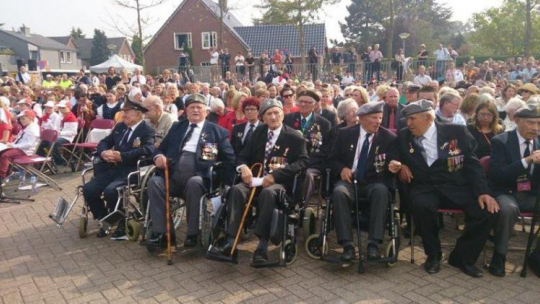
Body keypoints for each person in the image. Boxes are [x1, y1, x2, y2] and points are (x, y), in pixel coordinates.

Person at [392, 99, 499, 277]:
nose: (408, 124)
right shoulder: (404, 136)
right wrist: (401, 165)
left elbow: (472, 164)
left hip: (455, 186)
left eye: (412, 119)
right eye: (407, 120)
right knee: (420, 206)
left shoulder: (456, 132)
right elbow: (393, 155)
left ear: (427, 117)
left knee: (488, 210)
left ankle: (462, 257)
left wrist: (483, 192)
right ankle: (433, 254)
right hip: (424, 187)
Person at [207, 99, 309, 265]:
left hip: (278, 183)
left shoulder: (294, 136)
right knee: (236, 190)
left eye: (277, 113)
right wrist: (243, 167)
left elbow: (303, 162)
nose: (274, 117)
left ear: (283, 114)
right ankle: (230, 241)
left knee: (268, 194)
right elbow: (242, 155)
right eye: (269, 114)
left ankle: (262, 246)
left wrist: (276, 176)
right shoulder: (258, 133)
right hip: (255, 179)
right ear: (263, 117)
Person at [141, 94, 235, 249]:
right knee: (154, 182)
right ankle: (163, 233)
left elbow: (229, 159)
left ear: (206, 111)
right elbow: (161, 149)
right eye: (192, 107)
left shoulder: (217, 132)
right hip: (172, 176)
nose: (196, 110)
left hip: (200, 178)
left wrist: (225, 183)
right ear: (186, 110)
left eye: (199, 107)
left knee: (194, 182)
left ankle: (193, 234)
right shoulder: (178, 127)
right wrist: (158, 157)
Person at [329, 101, 398, 261]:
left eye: (380, 117)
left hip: (375, 181)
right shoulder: (345, 134)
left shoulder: (389, 138)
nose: (378, 122)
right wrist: (341, 169)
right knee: (339, 193)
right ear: (361, 118)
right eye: (374, 118)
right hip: (350, 180)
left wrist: (395, 165)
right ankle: (347, 245)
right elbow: (331, 159)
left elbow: (394, 160)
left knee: (382, 192)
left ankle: (373, 243)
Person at [83, 99, 155, 239]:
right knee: (89, 189)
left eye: (127, 111)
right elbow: (105, 142)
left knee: (111, 191)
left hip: (133, 169)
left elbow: (148, 149)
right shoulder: (120, 127)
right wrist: (104, 153)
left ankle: (122, 223)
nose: (124, 114)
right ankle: (105, 219)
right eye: (123, 111)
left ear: (138, 114)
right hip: (115, 168)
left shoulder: (147, 130)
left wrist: (122, 156)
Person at [489, 104, 540, 277]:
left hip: (531, 194)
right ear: (517, 121)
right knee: (507, 209)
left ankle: (537, 257)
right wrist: (527, 161)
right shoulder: (501, 141)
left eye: (539, 123)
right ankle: (499, 255)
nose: (536, 128)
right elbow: (498, 175)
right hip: (506, 191)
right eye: (531, 123)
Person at [283, 89, 331, 208]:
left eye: (308, 102)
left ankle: (301, 206)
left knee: (308, 175)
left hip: (312, 163)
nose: (303, 104)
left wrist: (309, 161)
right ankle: (285, 202)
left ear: (314, 105)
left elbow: (326, 148)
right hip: (291, 160)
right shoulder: (287, 119)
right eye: (301, 101)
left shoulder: (324, 124)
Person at [0, 110, 40, 187]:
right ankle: (6, 171)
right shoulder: (27, 127)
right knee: (1, 152)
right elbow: (20, 140)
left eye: (23, 118)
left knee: (5, 155)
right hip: (20, 147)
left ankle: (2, 176)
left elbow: (29, 144)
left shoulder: (33, 129)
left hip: (26, 151)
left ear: (31, 118)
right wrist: (11, 144)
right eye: (20, 119)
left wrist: (14, 146)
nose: (21, 120)